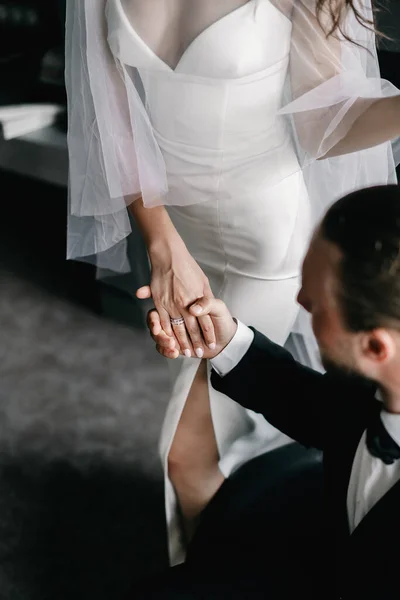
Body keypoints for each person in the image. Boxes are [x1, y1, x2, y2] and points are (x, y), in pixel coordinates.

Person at [65, 0, 400, 564]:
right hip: (178, 231)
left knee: (183, 455)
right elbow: (111, 112)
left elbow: (325, 127)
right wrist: (162, 242)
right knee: (235, 408)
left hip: (264, 244)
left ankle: (223, 576)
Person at [148, 184, 400, 599]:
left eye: (316, 304)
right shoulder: (368, 379)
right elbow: (315, 407)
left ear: (375, 347)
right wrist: (225, 341)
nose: (298, 301)